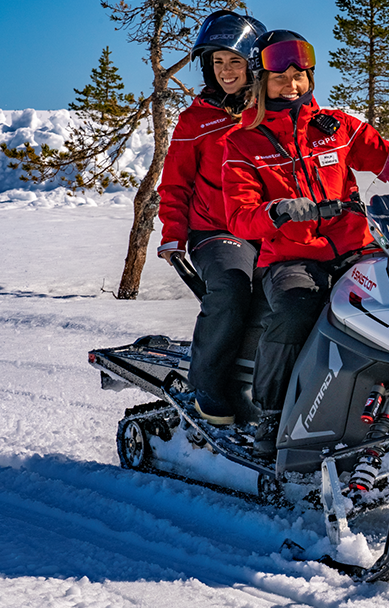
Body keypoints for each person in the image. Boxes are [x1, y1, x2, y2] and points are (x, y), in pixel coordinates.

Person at [222, 30, 389, 456]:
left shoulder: (336, 128)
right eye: (280, 77)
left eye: (299, 75)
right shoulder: (242, 143)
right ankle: (271, 415)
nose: (292, 84)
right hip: (292, 257)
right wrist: (279, 210)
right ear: (260, 81)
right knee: (296, 307)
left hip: (360, 247)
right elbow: (239, 216)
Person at [157, 10, 267, 425]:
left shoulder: (268, 113)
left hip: (271, 229)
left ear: (253, 65)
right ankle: (207, 386)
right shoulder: (195, 121)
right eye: (217, 62)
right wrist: (173, 233)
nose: (225, 72)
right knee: (232, 287)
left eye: (235, 62)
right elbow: (176, 184)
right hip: (218, 231)